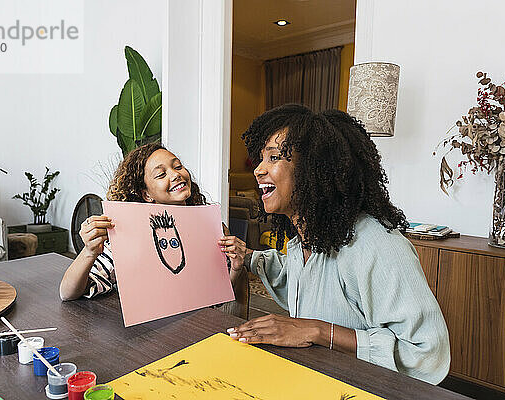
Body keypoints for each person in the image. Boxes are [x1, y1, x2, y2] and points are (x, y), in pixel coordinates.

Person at [219, 104, 450, 385]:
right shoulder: (306, 240)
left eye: (274, 157)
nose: (258, 170)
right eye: (260, 158)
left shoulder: (376, 244)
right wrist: (249, 256)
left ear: (314, 168)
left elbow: (427, 352)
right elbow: (296, 277)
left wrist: (316, 331)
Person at [59, 143, 207, 301]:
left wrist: (236, 268)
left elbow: (217, 292)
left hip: (198, 321)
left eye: (178, 166)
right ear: (147, 194)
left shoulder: (208, 228)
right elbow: (67, 293)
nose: (176, 174)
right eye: (161, 174)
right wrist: (89, 251)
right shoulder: (127, 238)